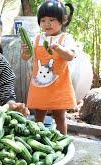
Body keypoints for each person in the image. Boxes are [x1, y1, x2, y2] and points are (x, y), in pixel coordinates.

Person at [21, 0, 76, 134]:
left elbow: (70, 56)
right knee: (38, 116)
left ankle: (63, 141)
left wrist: (58, 48)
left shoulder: (66, 38)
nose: (47, 23)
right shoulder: (37, 38)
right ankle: (38, 140)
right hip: (40, 86)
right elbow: (25, 58)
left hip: (59, 86)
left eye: (52, 19)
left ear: (63, 20)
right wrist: (25, 51)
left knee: (60, 117)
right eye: (43, 20)